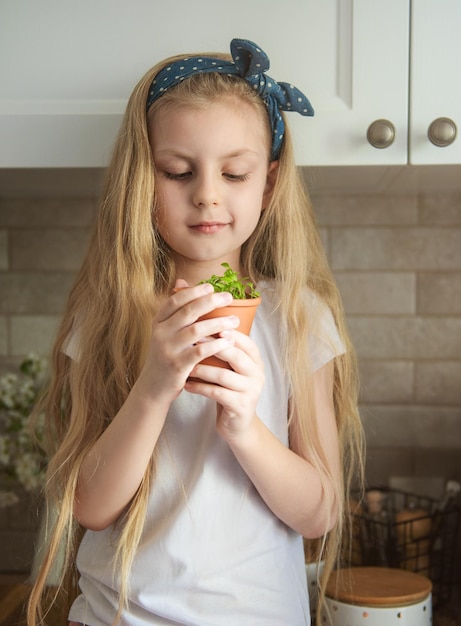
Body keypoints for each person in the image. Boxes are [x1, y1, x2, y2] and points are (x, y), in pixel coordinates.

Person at [28, 38, 364, 626]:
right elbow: (89, 507)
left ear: (269, 182)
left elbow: (319, 514)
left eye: (234, 172)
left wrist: (243, 426)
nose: (207, 191)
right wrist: (155, 386)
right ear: (142, 179)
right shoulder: (108, 314)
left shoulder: (299, 318)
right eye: (177, 171)